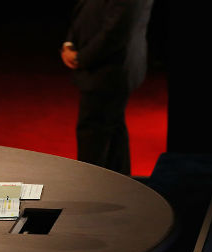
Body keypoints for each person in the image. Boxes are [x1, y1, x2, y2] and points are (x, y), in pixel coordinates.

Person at [61, 0, 154, 175]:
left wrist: (81, 57)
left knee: (94, 134)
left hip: (110, 70)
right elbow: (84, 8)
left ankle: (91, 191)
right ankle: (121, 186)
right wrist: (70, 42)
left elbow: (117, 31)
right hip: (102, 67)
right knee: (112, 129)